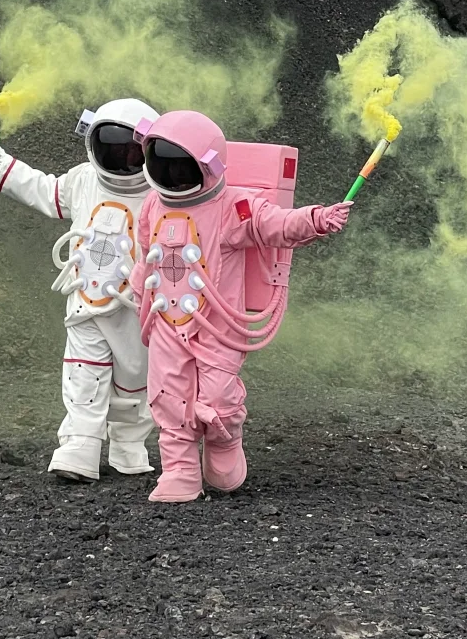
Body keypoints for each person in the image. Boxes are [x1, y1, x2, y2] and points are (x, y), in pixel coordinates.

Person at [130, 110, 352, 503]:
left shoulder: (235, 206)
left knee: (217, 396)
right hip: (166, 318)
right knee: (167, 395)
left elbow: (277, 224)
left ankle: (224, 439)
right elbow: (145, 254)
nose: (173, 175)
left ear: (208, 168)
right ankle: (179, 471)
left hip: (218, 324)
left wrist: (315, 219)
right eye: (163, 163)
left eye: (181, 167)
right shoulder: (152, 204)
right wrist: (139, 294)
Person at [0, 98, 160, 481]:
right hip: (85, 301)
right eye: (112, 148)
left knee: (137, 378)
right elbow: (49, 193)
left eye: (131, 151)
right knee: (83, 370)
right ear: (92, 143)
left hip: (138, 308)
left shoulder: (160, 193)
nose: (120, 158)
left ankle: (128, 445)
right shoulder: (85, 179)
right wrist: (10, 172)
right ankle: (80, 444)